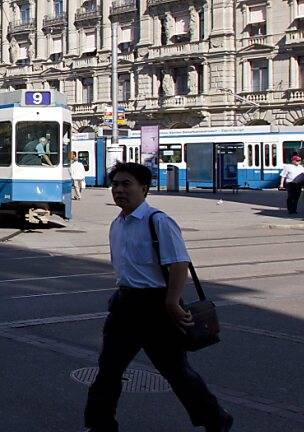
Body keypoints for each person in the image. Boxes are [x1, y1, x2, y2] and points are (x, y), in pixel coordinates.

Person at [83, 162, 232, 432]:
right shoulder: (117, 224)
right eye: (115, 184)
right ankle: (100, 425)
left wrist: (172, 301)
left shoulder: (158, 221)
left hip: (156, 307)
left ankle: (216, 419)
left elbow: (178, 263)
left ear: (144, 188)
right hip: (125, 306)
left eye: (126, 184)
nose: (118, 190)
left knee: (176, 372)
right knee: (108, 370)